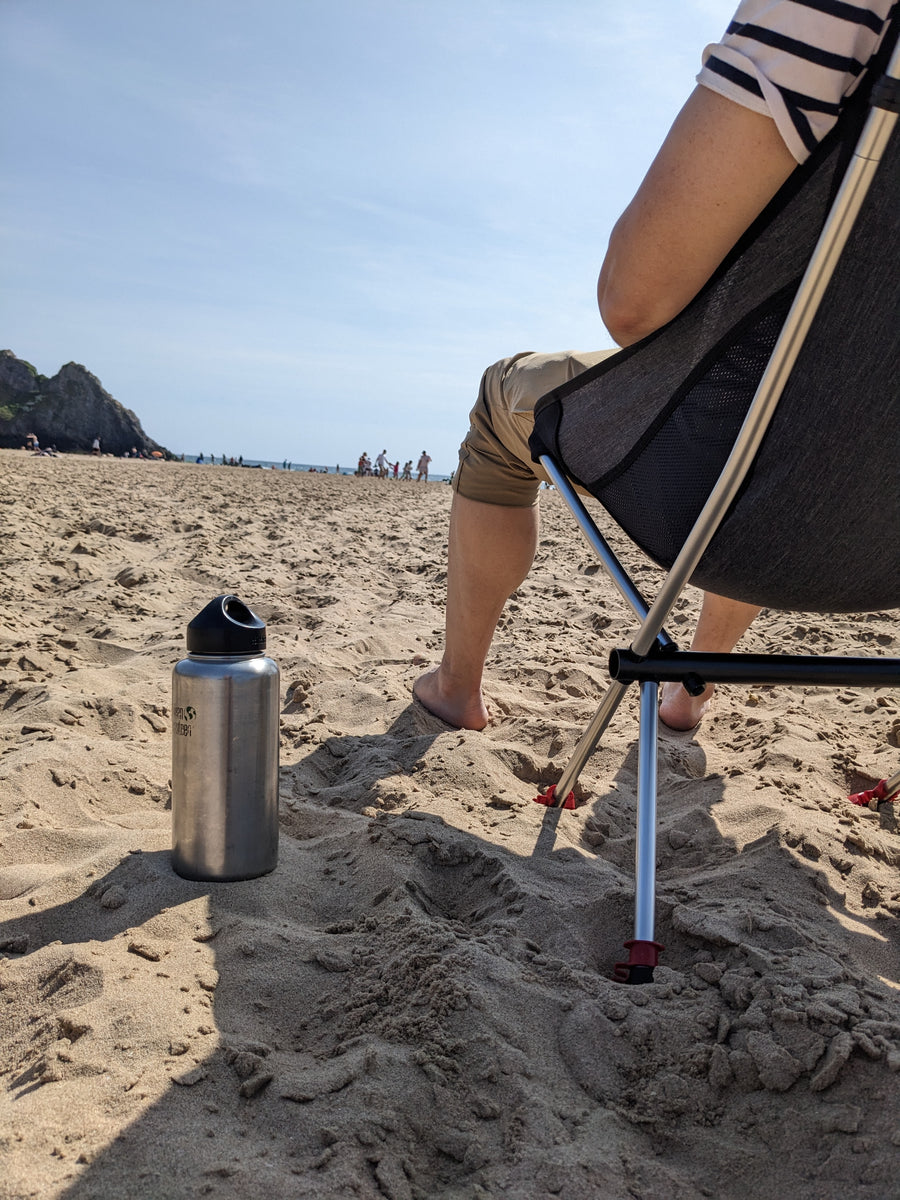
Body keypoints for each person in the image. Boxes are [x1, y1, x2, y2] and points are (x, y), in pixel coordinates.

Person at [415, 1, 895, 733]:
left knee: (507, 402)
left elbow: (633, 302)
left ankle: (457, 687)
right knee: (801, 417)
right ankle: (691, 689)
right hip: (879, 540)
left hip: (768, 498)